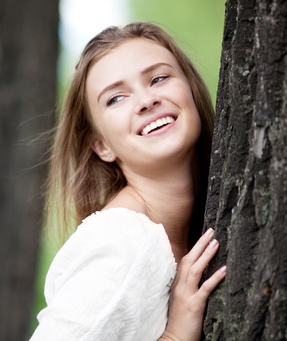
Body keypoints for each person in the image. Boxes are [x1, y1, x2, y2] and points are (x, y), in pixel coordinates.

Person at [30, 22, 226, 341]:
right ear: (102, 145)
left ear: (190, 89)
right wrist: (175, 335)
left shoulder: (193, 223)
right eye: (116, 98)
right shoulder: (122, 241)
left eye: (159, 78)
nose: (146, 101)